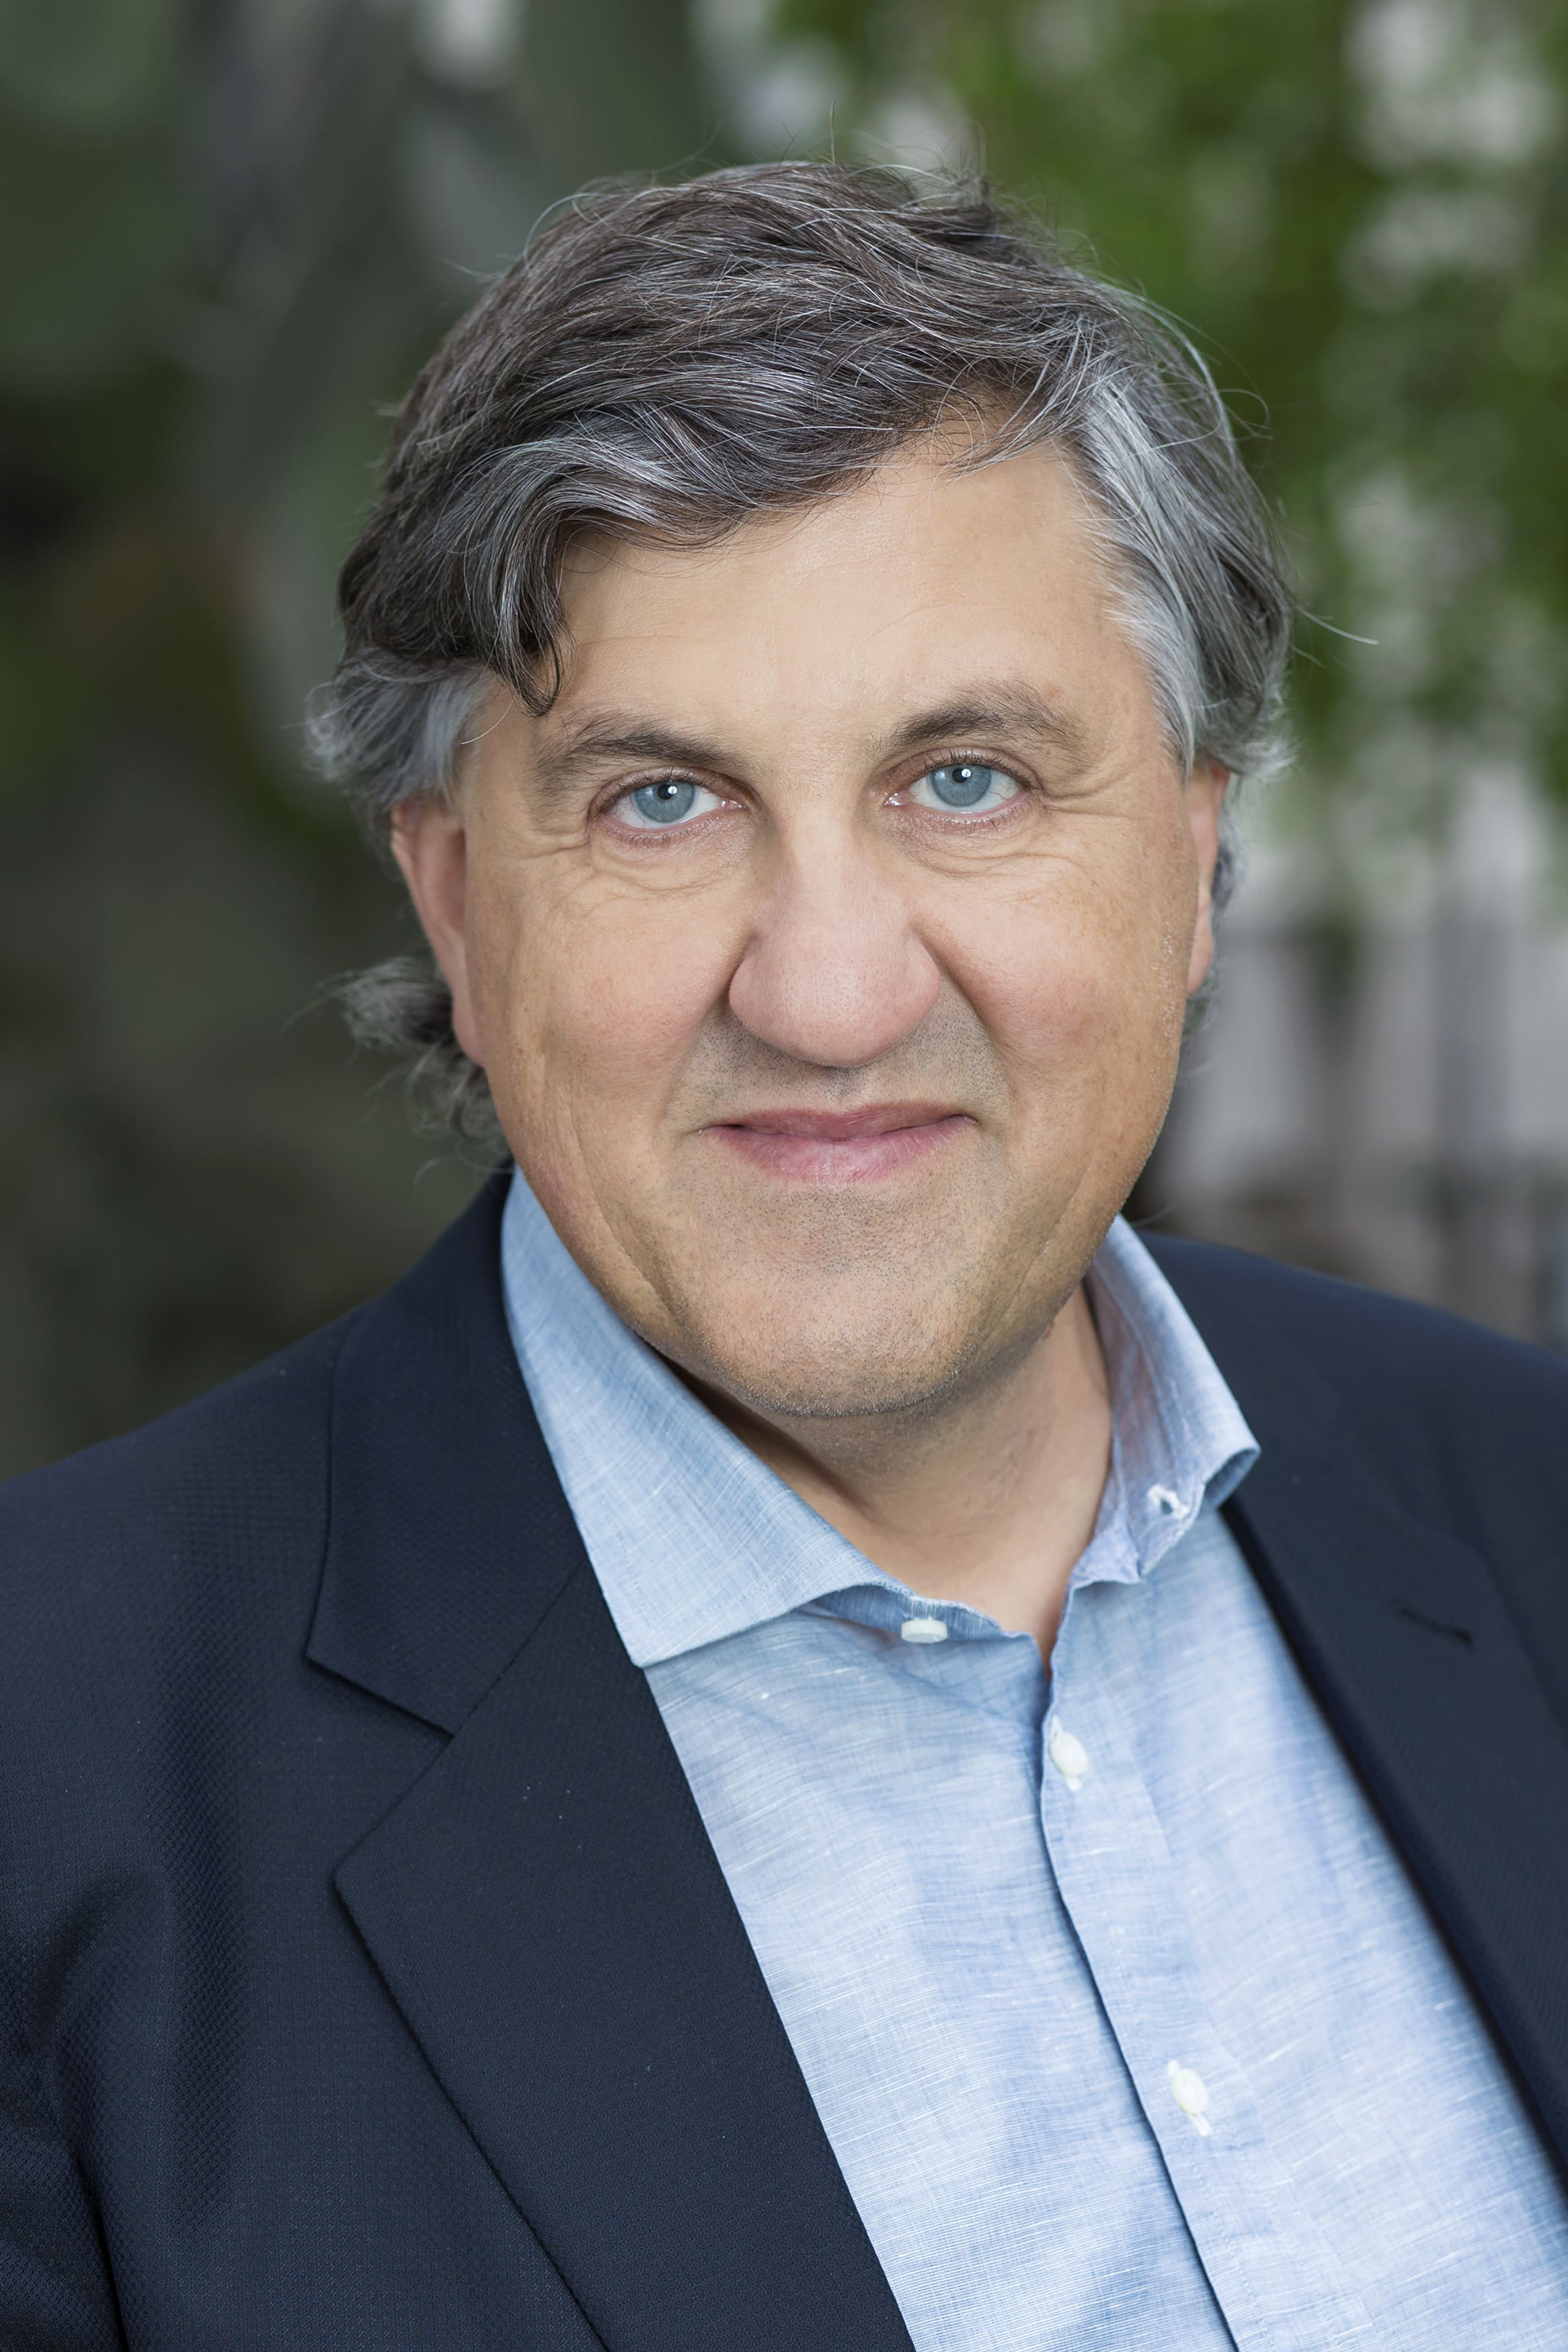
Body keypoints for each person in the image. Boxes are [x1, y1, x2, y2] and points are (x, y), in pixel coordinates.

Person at [2, 162, 1565, 2352]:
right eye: (662, 801)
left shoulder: (1527, 1495)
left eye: (967, 779)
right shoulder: (50, 1773)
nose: (828, 994)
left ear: (1193, 857)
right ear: (456, 906)